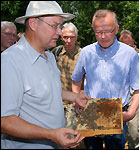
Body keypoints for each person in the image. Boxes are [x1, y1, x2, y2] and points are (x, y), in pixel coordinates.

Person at [1, 1, 91, 149]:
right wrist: (51, 134)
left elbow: (48, 90)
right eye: (54, 26)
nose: (60, 32)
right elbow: (4, 120)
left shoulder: (48, 56)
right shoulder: (10, 61)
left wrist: (74, 97)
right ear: (34, 23)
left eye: (60, 26)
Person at [71, 9, 139, 149]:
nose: (103, 36)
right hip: (91, 112)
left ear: (117, 29)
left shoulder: (130, 54)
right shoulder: (86, 53)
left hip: (118, 114)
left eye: (108, 31)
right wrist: (76, 97)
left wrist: (131, 112)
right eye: (98, 32)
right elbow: (75, 79)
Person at [119, 29, 139, 149]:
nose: (127, 46)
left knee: (134, 126)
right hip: (119, 96)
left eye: (129, 43)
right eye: (124, 44)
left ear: (133, 42)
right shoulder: (115, 54)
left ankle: (134, 145)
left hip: (135, 95)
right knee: (118, 125)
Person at [52, 22, 84, 130]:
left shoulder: (84, 55)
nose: (69, 41)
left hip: (75, 105)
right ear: (61, 37)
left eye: (72, 37)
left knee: (72, 138)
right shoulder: (56, 52)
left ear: (77, 37)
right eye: (65, 37)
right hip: (57, 103)